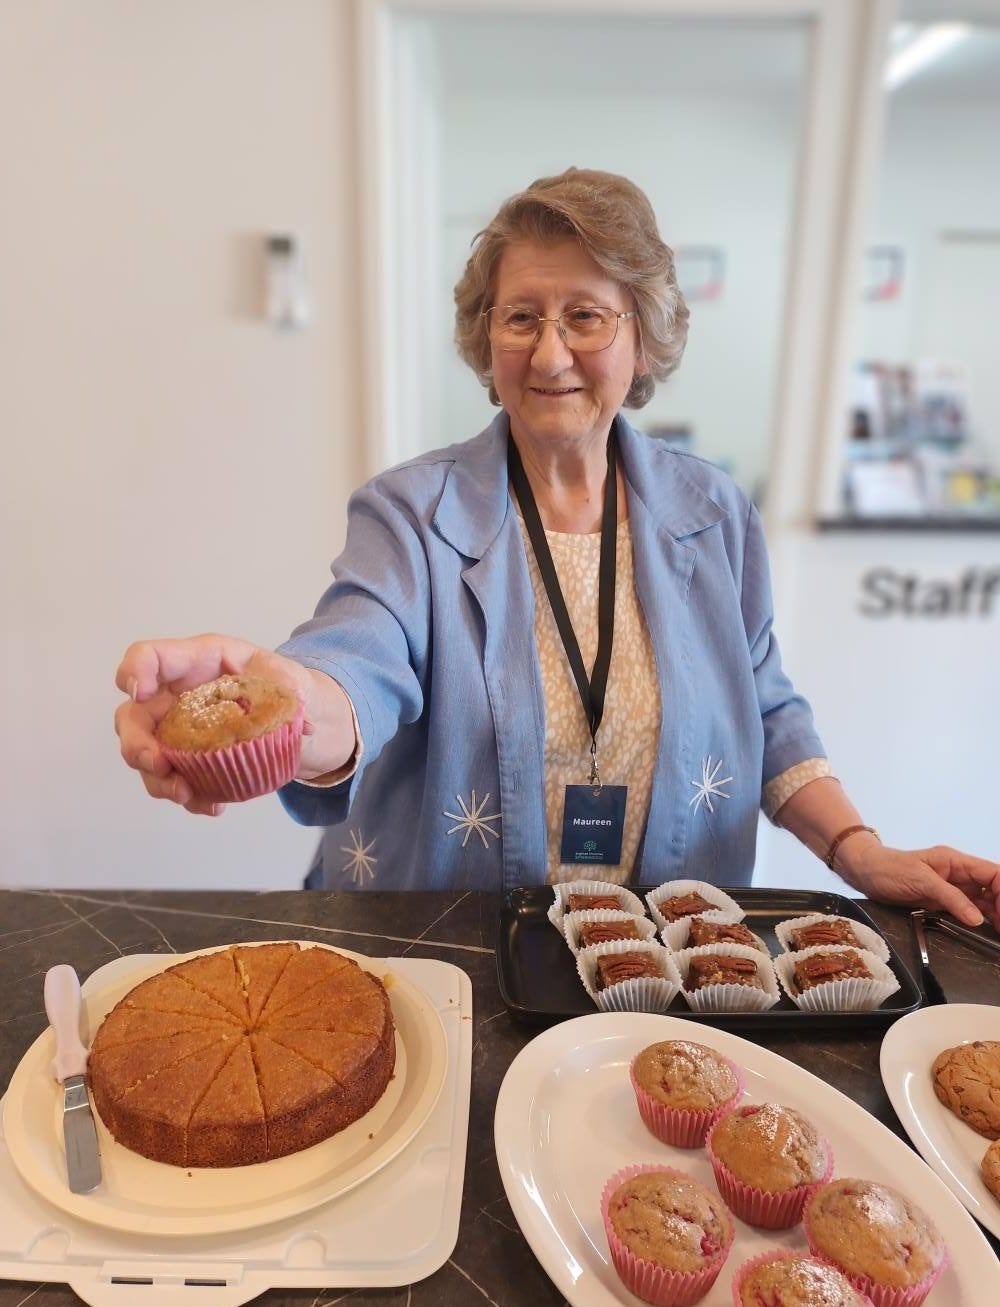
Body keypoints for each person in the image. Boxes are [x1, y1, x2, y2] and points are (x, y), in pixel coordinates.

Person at [114, 167, 999, 929]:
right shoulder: (412, 514)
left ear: (642, 336)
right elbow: (357, 656)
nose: (549, 352)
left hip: (658, 962)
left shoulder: (714, 514)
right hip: (451, 958)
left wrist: (858, 851)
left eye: (585, 316)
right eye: (520, 317)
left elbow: (764, 708)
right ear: (485, 335)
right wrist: (282, 707)